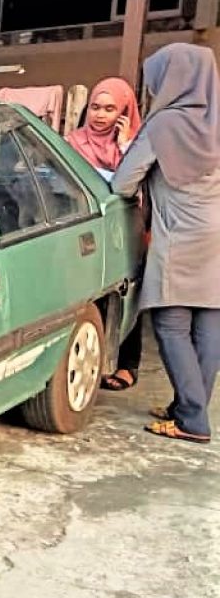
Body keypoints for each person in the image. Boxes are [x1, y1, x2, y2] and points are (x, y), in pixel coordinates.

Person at [111, 43, 220, 444]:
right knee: (209, 322)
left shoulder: (164, 125)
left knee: (171, 322)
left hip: (181, 234)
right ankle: (188, 408)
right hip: (217, 235)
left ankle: (192, 420)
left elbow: (123, 183)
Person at [66, 77, 145, 392]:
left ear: (124, 113)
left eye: (110, 109)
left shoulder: (136, 145)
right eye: (96, 107)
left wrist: (125, 146)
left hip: (123, 227)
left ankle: (128, 364)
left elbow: (135, 183)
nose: (100, 115)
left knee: (126, 291)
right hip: (84, 227)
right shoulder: (72, 142)